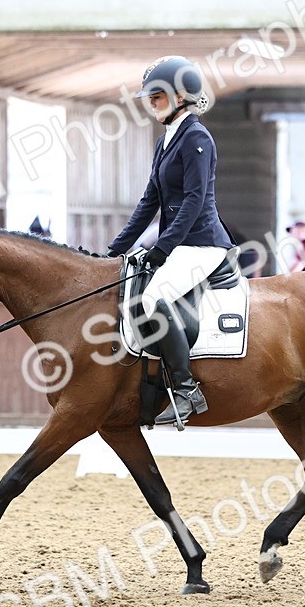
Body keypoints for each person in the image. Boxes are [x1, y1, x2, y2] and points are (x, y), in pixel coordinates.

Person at [106, 56, 234, 427]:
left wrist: (163, 248)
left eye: (158, 95)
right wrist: (115, 249)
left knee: (153, 298)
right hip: (181, 244)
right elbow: (149, 201)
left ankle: (185, 389)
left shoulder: (197, 138)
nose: (152, 103)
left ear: (182, 96)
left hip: (203, 244)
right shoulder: (166, 141)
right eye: (150, 97)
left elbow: (194, 201)